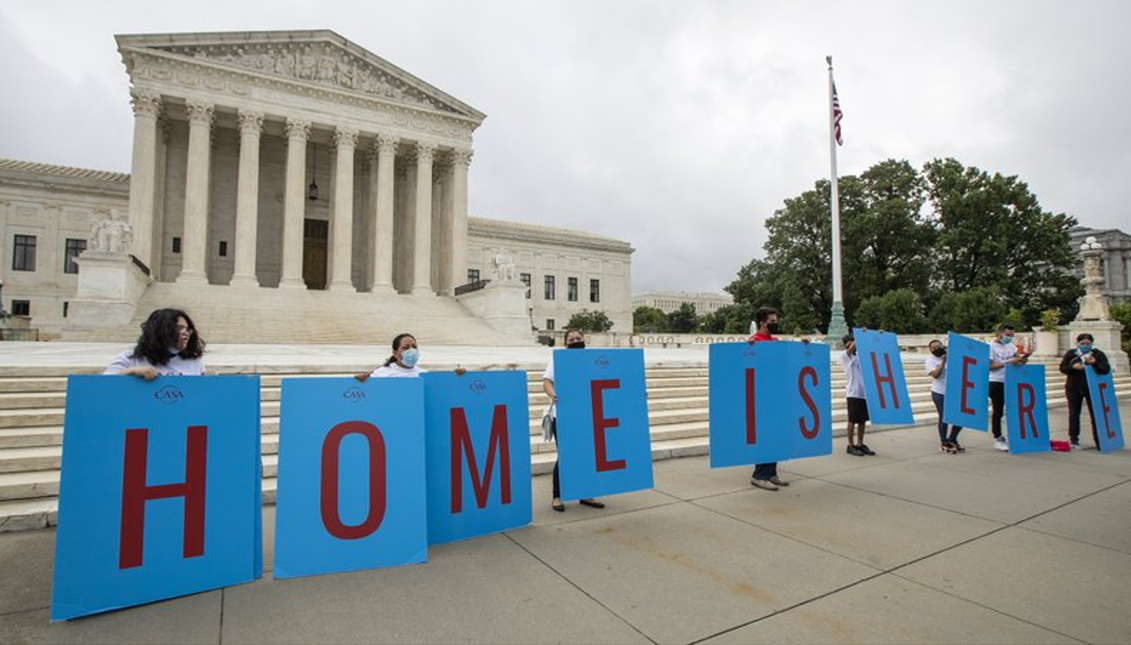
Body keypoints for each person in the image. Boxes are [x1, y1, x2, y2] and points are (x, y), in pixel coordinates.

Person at [543, 329, 605, 512]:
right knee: (565, 456)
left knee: (587, 455)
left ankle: (585, 493)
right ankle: (557, 496)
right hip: (564, 416)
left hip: (587, 416)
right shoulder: (558, 360)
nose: (576, 341)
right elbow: (546, 381)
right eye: (572, 339)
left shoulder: (592, 360)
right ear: (565, 344)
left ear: (585, 340)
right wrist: (552, 393)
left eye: (579, 338)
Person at [748, 306, 790, 491]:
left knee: (775, 434)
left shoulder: (775, 341)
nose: (776, 324)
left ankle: (771, 473)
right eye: (772, 321)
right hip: (762, 397)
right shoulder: (754, 342)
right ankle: (759, 475)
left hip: (776, 395)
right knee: (765, 435)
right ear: (762, 323)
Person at [104, 308, 205, 379]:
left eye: (187, 329)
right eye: (179, 328)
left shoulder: (193, 360)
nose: (185, 333)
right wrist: (132, 372)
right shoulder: (129, 357)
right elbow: (103, 384)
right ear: (160, 330)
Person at [1059, 332, 1111, 450]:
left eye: (1088, 343)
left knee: (1095, 414)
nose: (1085, 345)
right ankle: (1073, 438)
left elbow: (1105, 370)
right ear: (1077, 343)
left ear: (1092, 344)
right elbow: (1062, 368)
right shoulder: (1072, 354)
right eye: (1082, 343)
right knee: (1074, 414)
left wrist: (1094, 363)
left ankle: (1099, 440)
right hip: (1073, 388)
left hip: (1092, 388)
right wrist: (1073, 367)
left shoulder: (1098, 354)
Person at [988, 323, 1028, 452]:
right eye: (1007, 335)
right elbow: (989, 367)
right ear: (999, 333)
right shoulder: (990, 347)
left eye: (1011, 335)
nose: (1009, 338)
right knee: (998, 410)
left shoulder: (1010, 346)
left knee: (1013, 409)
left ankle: (1014, 435)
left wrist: (1023, 359)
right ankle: (998, 437)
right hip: (996, 381)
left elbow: (1018, 359)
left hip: (1012, 380)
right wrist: (1007, 362)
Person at [925, 339, 963, 454]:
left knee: (960, 417)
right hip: (939, 392)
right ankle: (944, 441)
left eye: (939, 346)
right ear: (930, 350)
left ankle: (952, 438)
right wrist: (942, 362)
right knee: (944, 416)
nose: (937, 349)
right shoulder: (930, 360)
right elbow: (936, 375)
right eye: (934, 348)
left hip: (954, 391)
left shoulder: (952, 357)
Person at [840, 334, 874, 456]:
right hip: (853, 392)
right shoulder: (845, 356)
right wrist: (860, 335)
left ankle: (860, 443)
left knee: (862, 420)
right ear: (847, 344)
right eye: (851, 343)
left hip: (863, 393)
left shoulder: (860, 356)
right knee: (852, 420)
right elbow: (850, 350)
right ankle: (850, 445)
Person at [356, 333, 424, 379]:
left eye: (414, 347)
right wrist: (361, 380)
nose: (411, 350)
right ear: (395, 353)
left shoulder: (424, 374)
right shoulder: (381, 374)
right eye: (405, 347)